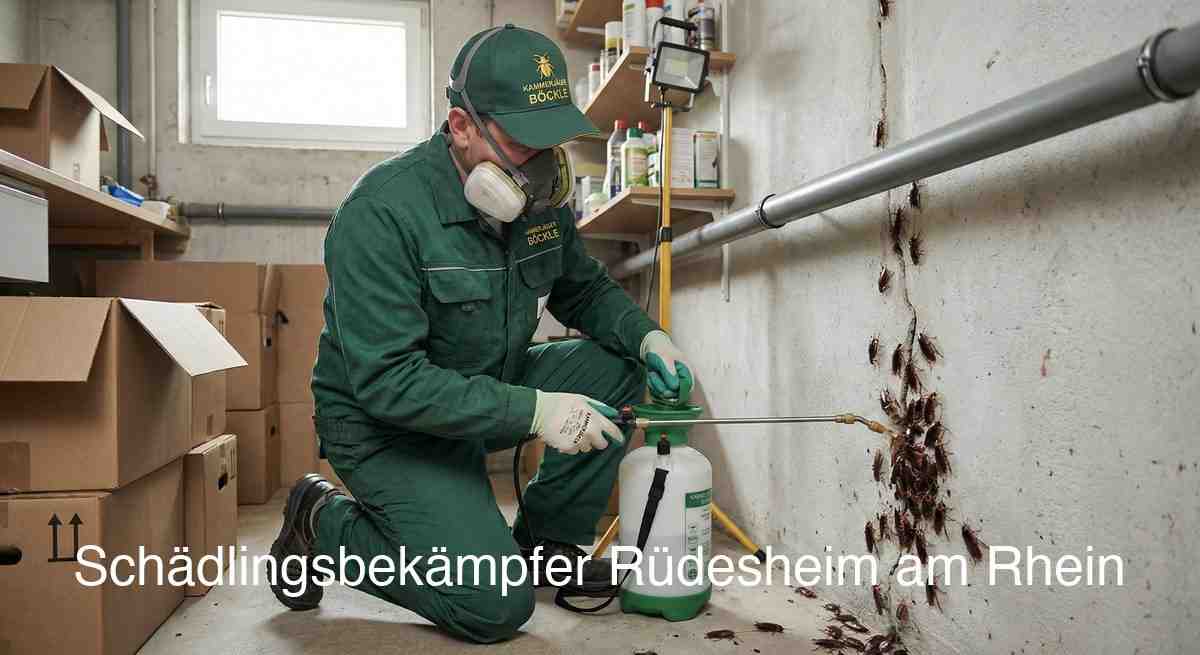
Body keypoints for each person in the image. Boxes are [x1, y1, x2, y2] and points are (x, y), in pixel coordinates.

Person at [267, 24, 696, 643]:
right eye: (523, 144)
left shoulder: (536, 201)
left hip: (485, 387)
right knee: (492, 606)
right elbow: (389, 382)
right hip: (387, 428)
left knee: (616, 364)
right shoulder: (380, 214)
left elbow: (582, 288)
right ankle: (321, 523)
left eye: (551, 143)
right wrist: (537, 411)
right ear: (462, 127)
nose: (541, 166)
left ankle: (545, 545)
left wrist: (648, 338)